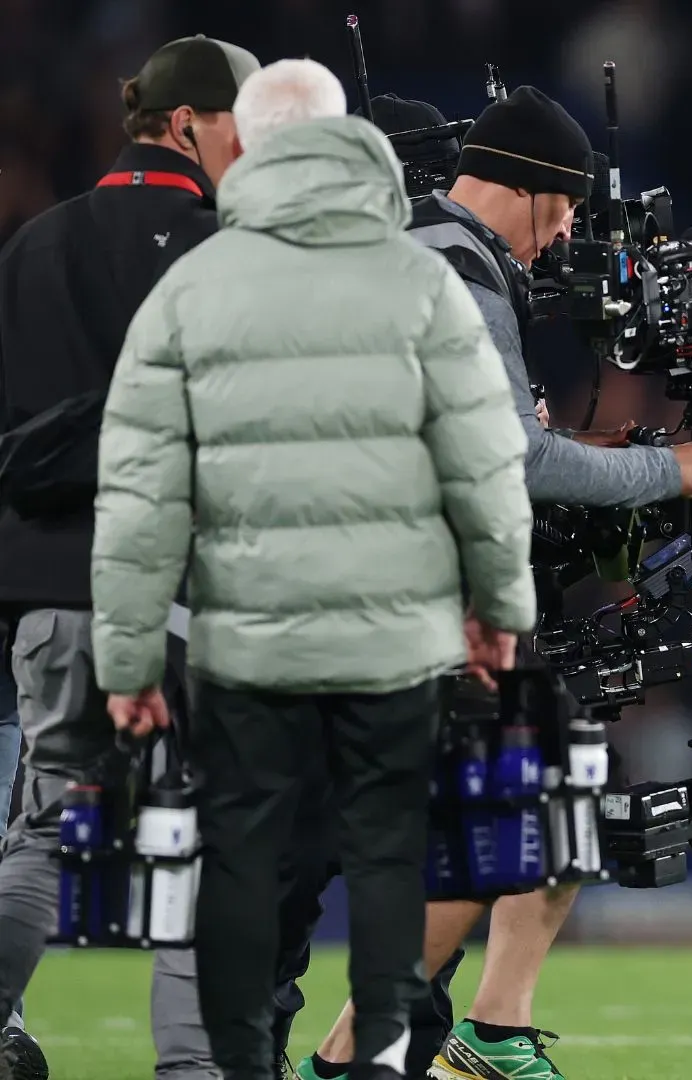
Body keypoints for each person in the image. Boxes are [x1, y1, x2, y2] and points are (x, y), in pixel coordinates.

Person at [87, 57, 538, 1080]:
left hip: (248, 640)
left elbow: (140, 495)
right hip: (398, 637)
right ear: (346, 140)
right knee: (387, 852)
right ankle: (376, 1060)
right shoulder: (421, 280)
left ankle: (244, 1065)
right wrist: (499, 605)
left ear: (244, 144)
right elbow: (486, 463)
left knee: (245, 856)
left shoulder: (193, 286)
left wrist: (126, 658)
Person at [276, 86, 692, 1080]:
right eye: (565, 207)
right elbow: (508, 462)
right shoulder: (459, 275)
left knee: (550, 788)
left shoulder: (414, 248)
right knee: (508, 822)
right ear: (528, 190)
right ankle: (360, 1054)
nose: (567, 231)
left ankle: (483, 1031)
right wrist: (671, 468)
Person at [0, 32, 261, 1080]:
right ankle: (193, 1070)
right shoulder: (226, 248)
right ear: (192, 122)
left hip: (50, 588)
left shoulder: (27, 247)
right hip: (184, 588)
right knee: (198, 836)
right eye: (243, 124)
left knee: (42, 823)